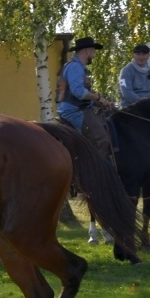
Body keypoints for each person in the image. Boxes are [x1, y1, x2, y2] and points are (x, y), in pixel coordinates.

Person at [57, 37, 115, 245]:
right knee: (102, 139)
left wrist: (101, 102)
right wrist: (98, 98)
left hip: (79, 109)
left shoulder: (77, 67)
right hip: (74, 112)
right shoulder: (75, 67)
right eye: (93, 51)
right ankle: (96, 173)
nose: (94, 54)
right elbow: (79, 92)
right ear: (88, 50)